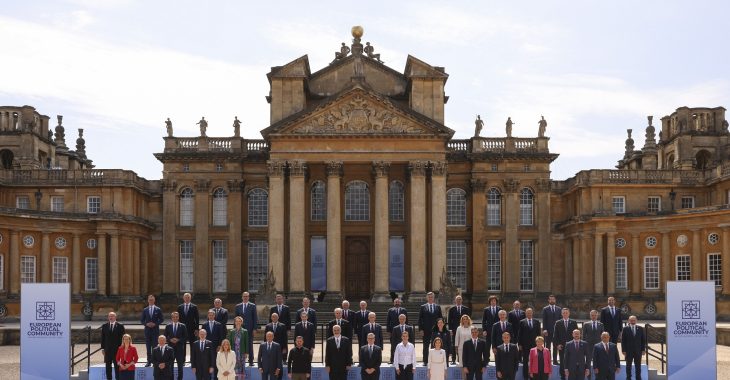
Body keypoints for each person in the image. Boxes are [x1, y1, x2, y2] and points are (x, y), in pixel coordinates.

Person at [554, 308, 579, 380]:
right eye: (564, 313)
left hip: (572, 346)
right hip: (562, 347)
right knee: (562, 362)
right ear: (562, 314)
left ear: (569, 313)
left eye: (566, 313)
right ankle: (563, 377)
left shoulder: (573, 322)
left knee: (572, 362)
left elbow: (577, 334)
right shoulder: (558, 323)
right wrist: (557, 345)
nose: (565, 314)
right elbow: (555, 335)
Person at [418, 291, 443, 364]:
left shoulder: (438, 307)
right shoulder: (423, 307)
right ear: (427, 298)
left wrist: (441, 328)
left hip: (436, 330)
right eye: (429, 297)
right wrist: (421, 329)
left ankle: (434, 360)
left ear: (434, 298)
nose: (430, 298)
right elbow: (420, 319)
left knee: (436, 345)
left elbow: (440, 318)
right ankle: (425, 361)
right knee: (425, 346)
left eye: (432, 297)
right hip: (426, 330)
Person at [517, 308, 541, 380]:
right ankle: (525, 377)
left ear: (532, 313)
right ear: (525, 313)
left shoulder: (537, 322)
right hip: (525, 345)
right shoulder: (522, 322)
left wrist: (539, 344)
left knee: (534, 361)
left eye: (530, 313)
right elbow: (519, 334)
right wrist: (519, 344)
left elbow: (538, 334)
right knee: (525, 362)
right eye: (527, 313)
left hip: (534, 346)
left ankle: (533, 377)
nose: (529, 314)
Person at [101, 311, 125, 380]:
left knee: (117, 367)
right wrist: (102, 348)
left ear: (115, 317)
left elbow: (123, 338)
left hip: (117, 350)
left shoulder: (120, 326)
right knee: (108, 367)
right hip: (107, 350)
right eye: (110, 316)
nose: (111, 317)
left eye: (112, 316)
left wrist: (122, 349)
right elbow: (103, 338)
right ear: (108, 317)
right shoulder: (105, 326)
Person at [235, 292, 257, 366]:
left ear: (249, 297)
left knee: (250, 344)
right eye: (244, 296)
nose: (245, 297)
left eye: (247, 296)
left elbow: (255, 318)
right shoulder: (238, 306)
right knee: (239, 344)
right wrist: (235, 329)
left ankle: (251, 361)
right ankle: (240, 361)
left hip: (250, 329)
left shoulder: (253, 306)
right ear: (242, 297)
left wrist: (254, 329)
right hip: (239, 328)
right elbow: (236, 318)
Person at [141, 295, 164, 367]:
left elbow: (161, 319)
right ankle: (149, 361)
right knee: (148, 346)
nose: (151, 301)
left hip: (155, 330)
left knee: (155, 346)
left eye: (152, 300)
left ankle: (155, 361)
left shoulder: (158, 309)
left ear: (154, 301)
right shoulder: (145, 310)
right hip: (147, 331)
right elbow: (142, 320)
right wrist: (146, 324)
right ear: (148, 301)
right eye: (150, 300)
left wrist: (155, 324)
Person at [620, 316, 646, 380]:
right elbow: (623, 340)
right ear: (629, 321)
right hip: (628, 351)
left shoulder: (640, 328)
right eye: (631, 320)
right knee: (628, 366)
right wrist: (623, 350)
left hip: (638, 351)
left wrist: (643, 349)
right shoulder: (625, 329)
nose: (633, 322)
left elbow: (643, 340)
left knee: (638, 366)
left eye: (634, 320)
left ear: (636, 320)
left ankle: (638, 378)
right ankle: (628, 378)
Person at [164, 312, 188, 380]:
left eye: (176, 317)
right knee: (170, 366)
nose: (175, 318)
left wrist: (178, 340)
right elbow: (165, 336)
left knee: (180, 366)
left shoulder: (183, 325)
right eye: (173, 317)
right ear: (171, 318)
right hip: (170, 349)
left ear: (178, 317)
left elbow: (185, 337)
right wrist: (170, 340)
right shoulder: (168, 326)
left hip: (180, 349)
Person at [447, 295, 471, 363]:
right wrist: (450, 329)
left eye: (460, 299)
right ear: (455, 300)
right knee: (455, 344)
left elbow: (468, 319)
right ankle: (454, 359)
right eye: (457, 299)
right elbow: (449, 321)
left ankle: (461, 359)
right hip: (454, 330)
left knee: (464, 344)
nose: (458, 301)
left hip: (464, 329)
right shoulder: (452, 309)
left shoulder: (466, 309)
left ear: (462, 300)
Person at [582, 310, 604, 379]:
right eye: (592, 315)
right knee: (588, 364)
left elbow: (603, 337)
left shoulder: (601, 324)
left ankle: (598, 377)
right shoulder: (586, 324)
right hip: (588, 347)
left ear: (597, 316)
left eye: (595, 315)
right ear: (590, 316)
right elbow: (583, 337)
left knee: (598, 363)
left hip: (598, 347)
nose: (593, 316)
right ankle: (589, 378)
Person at [541, 295, 561, 365]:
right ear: (548, 300)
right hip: (548, 331)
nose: (552, 301)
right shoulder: (545, 309)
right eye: (551, 299)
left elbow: (560, 320)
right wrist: (544, 329)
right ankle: (547, 360)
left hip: (556, 331)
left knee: (555, 346)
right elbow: (544, 320)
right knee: (548, 347)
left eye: (553, 299)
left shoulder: (559, 309)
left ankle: (555, 360)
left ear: (555, 300)